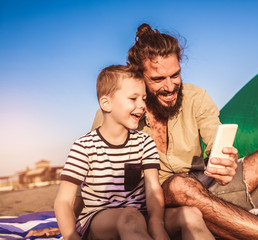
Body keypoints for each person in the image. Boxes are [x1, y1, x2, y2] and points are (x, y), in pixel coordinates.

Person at [92, 23, 258, 240]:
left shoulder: (196, 97)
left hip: (204, 186)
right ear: (139, 77)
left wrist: (225, 161)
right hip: (155, 202)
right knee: (181, 184)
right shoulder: (118, 112)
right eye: (158, 79)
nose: (170, 87)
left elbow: (215, 140)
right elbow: (100, 173)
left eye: (175, 75)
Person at [53, 64, 214, 240]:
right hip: (99, 221)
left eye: (144, 99)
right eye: (133, 98)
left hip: (140, 216)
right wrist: (70, 236)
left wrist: (156, 223)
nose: (142, 105)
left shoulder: (144, 142)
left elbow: (152, 188)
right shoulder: (84, 147)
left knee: (191, 214)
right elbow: (64, 201)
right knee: (130, 217)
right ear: (106, 103)